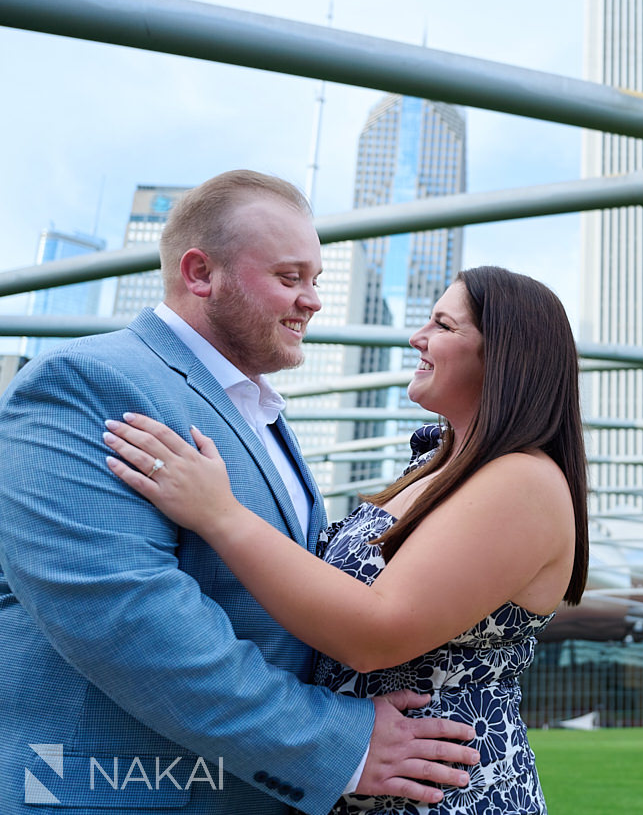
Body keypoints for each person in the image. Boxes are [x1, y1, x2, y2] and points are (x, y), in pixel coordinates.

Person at [0, 170, 477, 815]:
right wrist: (339, 742)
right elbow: (126, 615)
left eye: (316, 281)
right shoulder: (89, 380)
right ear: (201, 274)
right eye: (289, 278)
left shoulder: (259, 410)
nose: (312, 301)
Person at [104, 265, 590, 814]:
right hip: (370, 782)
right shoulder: (438, 466)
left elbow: (377, 633)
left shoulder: (521, 480)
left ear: (505, 357)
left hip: (443, 793)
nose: (417, 337)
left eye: (444, 326)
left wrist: (219, 513)